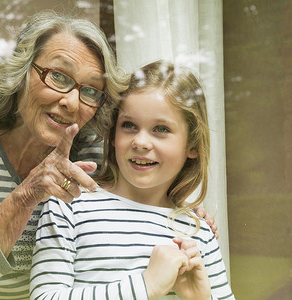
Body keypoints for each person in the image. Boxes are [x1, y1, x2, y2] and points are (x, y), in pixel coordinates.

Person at [0, 10, 218, 299]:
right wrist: (25, 197)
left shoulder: (88, 142)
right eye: (59, 76)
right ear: (22, 70)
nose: (72, 102)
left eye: (90, 90)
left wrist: (183, 218)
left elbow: (138, 196)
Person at [30, 60, 234, 299]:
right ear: (113, 135)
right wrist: (146, 287)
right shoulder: (69, 203)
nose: (141, 142)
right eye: (129, 125)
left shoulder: (199, 233)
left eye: (161, 129)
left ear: (191, 145)